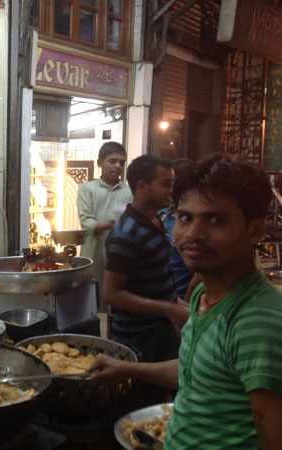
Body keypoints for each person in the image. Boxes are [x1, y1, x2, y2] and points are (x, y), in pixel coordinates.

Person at [91, 155, 282, 449]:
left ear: (255, 231)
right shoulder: (202, 297)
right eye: (185, 217)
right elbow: (193, 372)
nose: (193, 234)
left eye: (217, 220)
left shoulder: (256, 321)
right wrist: (125, 367)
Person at [103, 154, 189, 410]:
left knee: (160, 399)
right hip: (136, 337)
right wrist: (167, 308)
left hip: (162, 330)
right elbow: (112, 294)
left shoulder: (155, 221)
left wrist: (179, 303)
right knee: (135, 403)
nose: (171, 190)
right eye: (165, 183)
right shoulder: (126, 233)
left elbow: (157, 278)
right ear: (142, 186)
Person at [76, 141, 133, 311]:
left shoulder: (129, 192)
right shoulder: (87, 188)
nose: (117, 166)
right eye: (112, 161)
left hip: (119, 251)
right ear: (99, 163)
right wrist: (112, 225)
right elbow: (86, 221)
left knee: (116, 294)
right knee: (92, 294)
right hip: (94, 248)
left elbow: (130, 222)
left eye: (122, 162)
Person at [159, 158, 198, 299]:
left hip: (183, 298)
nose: (167, 189)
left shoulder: (194, 221)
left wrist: (187, 303)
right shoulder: (164, 214)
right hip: (164, 297)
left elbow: (198, 273)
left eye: (169, 183)